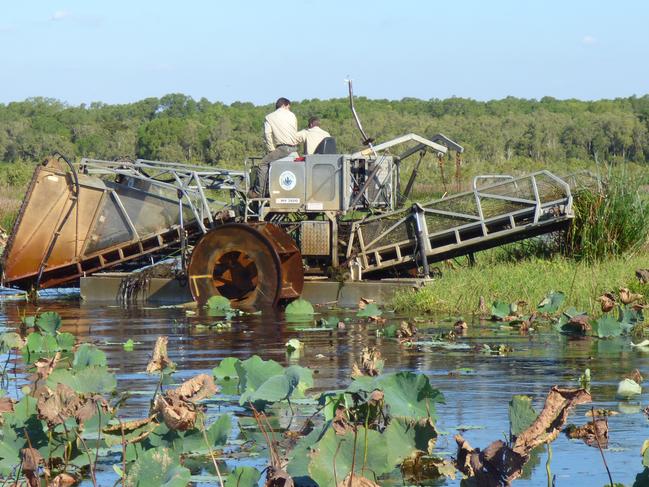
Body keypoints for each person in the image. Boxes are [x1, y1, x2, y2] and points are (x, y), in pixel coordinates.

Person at [251, 97, 301, 196]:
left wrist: (271, 149)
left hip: (283, 149)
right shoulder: (292, 115)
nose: (289, 109)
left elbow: (267, 134)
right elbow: (294, 132)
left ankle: (258, 192)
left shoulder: (269, 117)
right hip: (294, 148)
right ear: (284, 105)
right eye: (288, 107)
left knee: (262, 164)